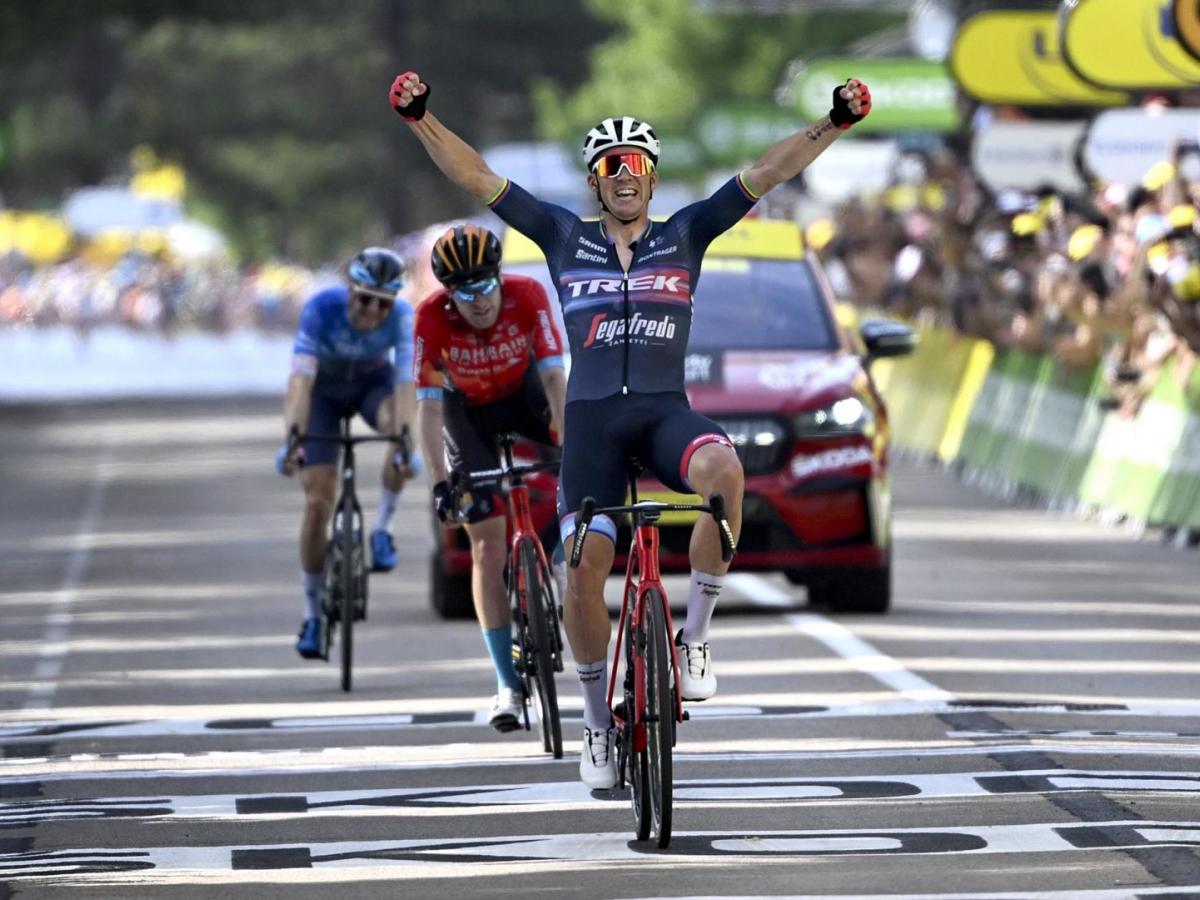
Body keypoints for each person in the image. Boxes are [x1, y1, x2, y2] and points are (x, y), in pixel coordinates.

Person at [389, 70, 871, 787]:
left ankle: (696, 642)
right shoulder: (560, 236)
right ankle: (592, 723)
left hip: (663, 413)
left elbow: (769, 172)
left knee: (725, 474)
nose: (624, 176)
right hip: (591, 428)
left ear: (651, 177)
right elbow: (478, 175)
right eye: (610, 166)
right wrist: (420, 118)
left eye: (636, 165)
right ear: (594, 181)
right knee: (580, 566)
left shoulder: (687, 233)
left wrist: (832, 123)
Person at [414, 223, 568, 731]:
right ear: (446, 292)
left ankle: (560, 558)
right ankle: (506, 684)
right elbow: (431, 413)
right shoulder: (430, 320)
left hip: (525, 398)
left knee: (579, 472)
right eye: (462, 291)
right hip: (468, 416)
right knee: (486, 544)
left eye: (484, 285)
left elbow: (553, 377)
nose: (477, 301)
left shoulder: (527, 296)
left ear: (501, 277)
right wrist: (440, 483)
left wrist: (571, 445)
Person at [276, 246, 416, 659]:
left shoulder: (404, 318)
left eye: (383, 303)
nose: (373, 311)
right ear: (350, 290)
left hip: (373, 385)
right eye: (365, 298)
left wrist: (405, 440)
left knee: (398, 430)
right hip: (323, 392)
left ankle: (382, 530)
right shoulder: (321, 308)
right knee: (318, 502)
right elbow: (300, 382)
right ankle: (312, 614)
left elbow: (406, 386)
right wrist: (294, 438)